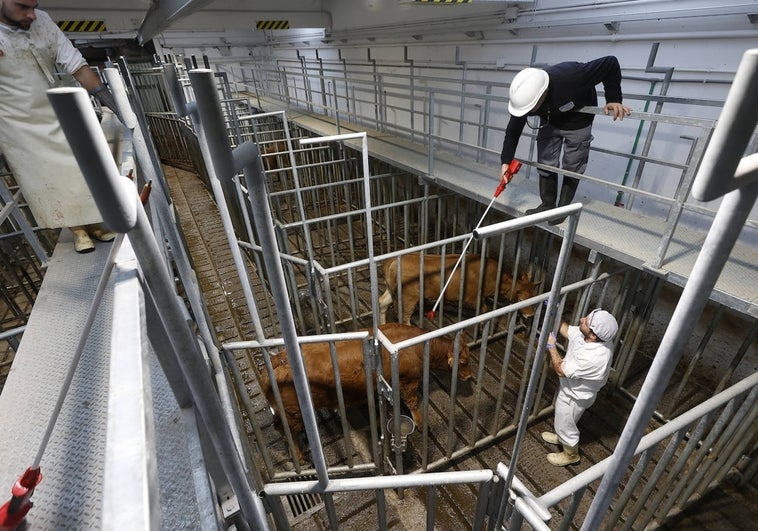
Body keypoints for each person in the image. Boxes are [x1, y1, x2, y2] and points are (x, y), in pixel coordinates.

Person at [0, 0, 118, 253]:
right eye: (23, 7)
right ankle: (76, 230)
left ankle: (95, 222)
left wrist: (104, 95)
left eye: (34, 6)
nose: (31, 14)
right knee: (44, 177)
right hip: (16, 123)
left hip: (56, 108)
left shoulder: (41, 20)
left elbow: (74, 62)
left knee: (80, 165)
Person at [500, 56, 632, 225]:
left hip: (579, 120)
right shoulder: (525, 99)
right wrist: (505, 161)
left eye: (531, 108)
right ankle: (547, 205)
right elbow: (513, 131)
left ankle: (562, 210)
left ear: (543, 94)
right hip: (550, 120)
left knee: (573, 164)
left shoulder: (573, 77)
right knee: (546, 161)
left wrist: (613, 99)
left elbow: (610, 63)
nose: (528, 112)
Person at [542, 308, 619, 466]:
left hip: (575, 397)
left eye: (586, 321)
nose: (582, 319)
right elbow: (567, 330)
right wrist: (555, 311)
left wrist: (552, 347)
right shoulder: (594, 337)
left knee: (566, 423)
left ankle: (571, 455)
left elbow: (560, 370)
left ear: (592, 334)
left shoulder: (594, 356)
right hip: (573, 390)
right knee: (567, 420)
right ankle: (561, 435)